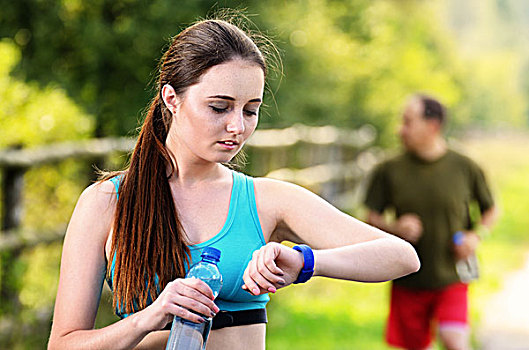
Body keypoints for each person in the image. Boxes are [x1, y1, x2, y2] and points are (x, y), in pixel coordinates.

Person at [47, 18, 420, 350]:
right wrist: (149, 317)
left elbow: (402, 256)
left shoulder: (265, 200)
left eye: (251, 110)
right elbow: (64, 344)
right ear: (172, 98)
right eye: (219, 107)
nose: (237, 127)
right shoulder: (107, 202)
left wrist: (306, 263)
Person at [364, 94, 498, 350]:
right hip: (407, 277)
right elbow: (370, 218)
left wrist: (475, 236)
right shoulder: (388, 169)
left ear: (432, 126)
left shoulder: (464, 166)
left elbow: (490, 209)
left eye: (407, 122)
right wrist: (396, 228)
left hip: (452, 276)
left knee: (454, 340)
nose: (399, 129)